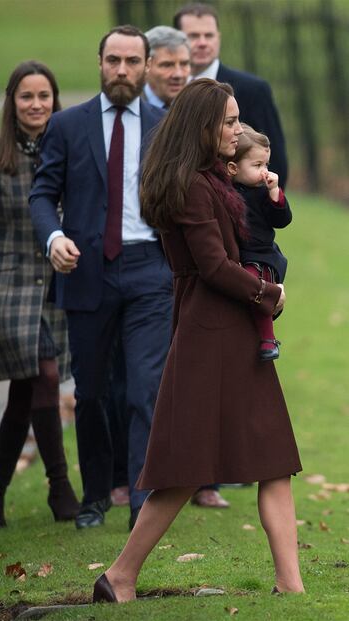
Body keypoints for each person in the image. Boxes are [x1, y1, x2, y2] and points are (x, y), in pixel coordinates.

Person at [92, 79, 304, 603]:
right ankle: (119, 576)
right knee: (186, 469)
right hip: (211, 336)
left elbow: (254, 235)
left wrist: (262, 288)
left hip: (236, 332)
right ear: (203, 127)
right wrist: (266, 293)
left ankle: (291, 585)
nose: (237, 129)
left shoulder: (214, 179)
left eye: (236, 121)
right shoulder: (191, 184)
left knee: (274, 459)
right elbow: (211, 266)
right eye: (229, 122)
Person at [29, 26, 173, 532]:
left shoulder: (164, 126)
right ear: (99, 63)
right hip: (86, 270)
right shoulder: (68, 125)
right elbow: (42, 194)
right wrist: (53, 239)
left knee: (143, 390)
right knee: (90, 392)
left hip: (150, 271)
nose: (122, 70)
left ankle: (142, 501)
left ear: (148, 66)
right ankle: (94, 497)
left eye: (133, 61)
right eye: (113, 60)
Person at [0, 61, 79, 529]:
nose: (36, 105)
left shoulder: (67, 149)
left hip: (53, 281)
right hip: (6, 283)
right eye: (26, 96)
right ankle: (60, 486)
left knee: (25, 391)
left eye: (44, 96)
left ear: (54, 100)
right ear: (12, 102)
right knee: (44, 374)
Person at [173, 2, 288, 188]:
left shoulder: (253, 90)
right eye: (193, 36)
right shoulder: (169, 87)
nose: (202, 42)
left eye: (208, 35)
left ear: (218, 38)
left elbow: (275, 162)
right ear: (177, 40)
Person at [226, 123, 292, 361]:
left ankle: (267, 339)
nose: (265, 171)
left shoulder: (263, 192)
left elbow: (282, 220)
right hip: (240, 253)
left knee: (257, 286)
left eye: (266, 164)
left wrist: (275, 194)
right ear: (233, 168)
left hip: (261, 255)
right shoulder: (225, 192)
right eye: (257, 165)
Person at [143, 25, 191, 109]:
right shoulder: (130, 106)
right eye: (167, 65)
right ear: (146, 66)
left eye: (184, 64)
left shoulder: (200, 108)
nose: (178, 75)